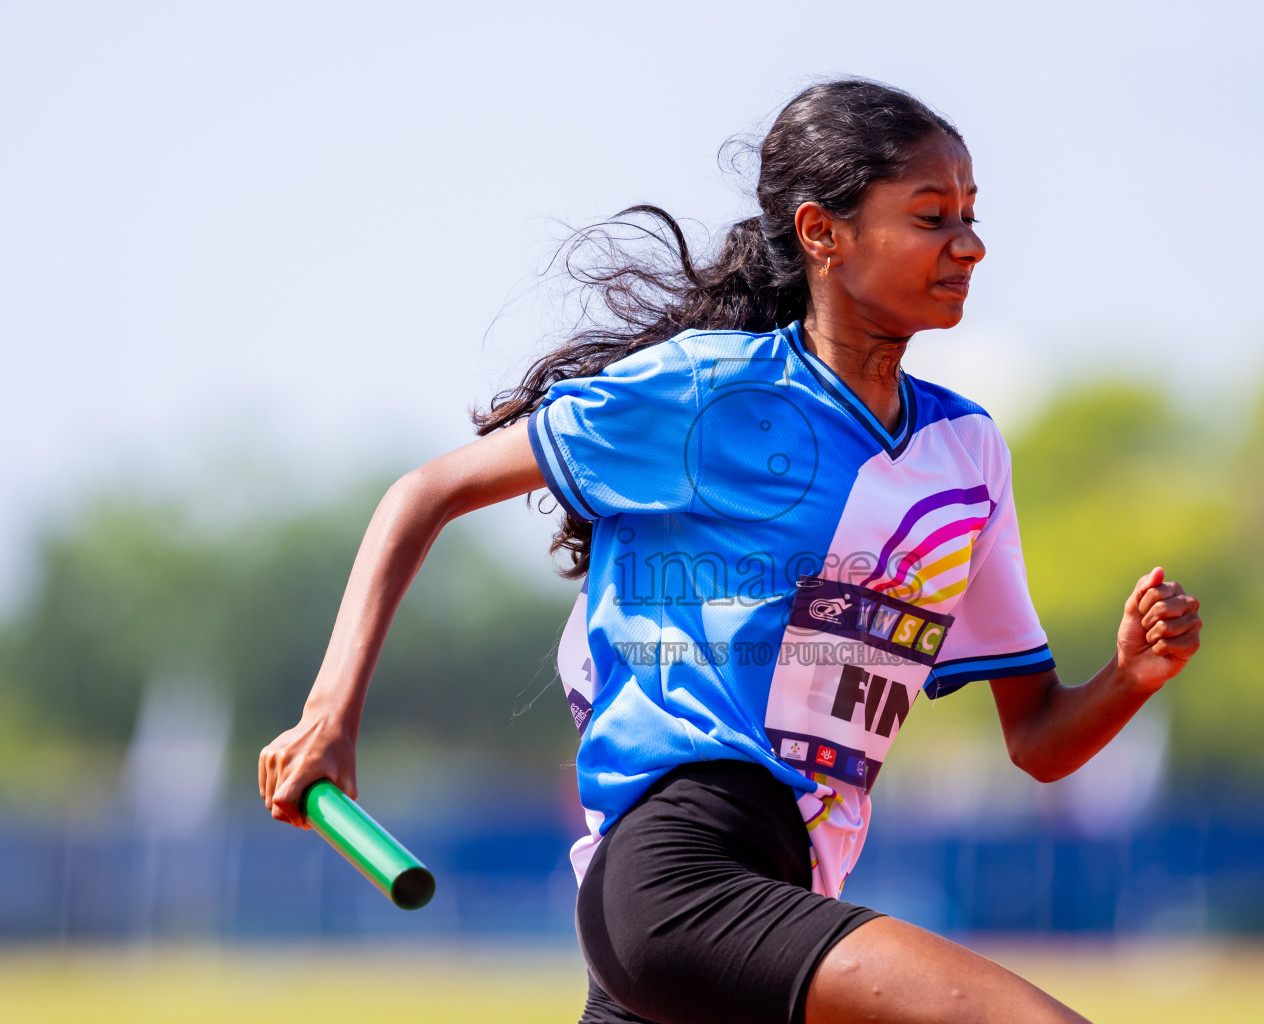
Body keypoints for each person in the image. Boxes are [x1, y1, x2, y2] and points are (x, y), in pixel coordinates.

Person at [258, 79, 1203, 1024]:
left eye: (970, 215)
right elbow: (426, 491)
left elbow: (1035, 737)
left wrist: (1129, 677)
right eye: (930, 217)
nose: (969, 244)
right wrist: (328, 719)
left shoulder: (967, 457)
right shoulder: (705, 391)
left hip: (784, 891)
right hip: (678, 872)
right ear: (821, 234)